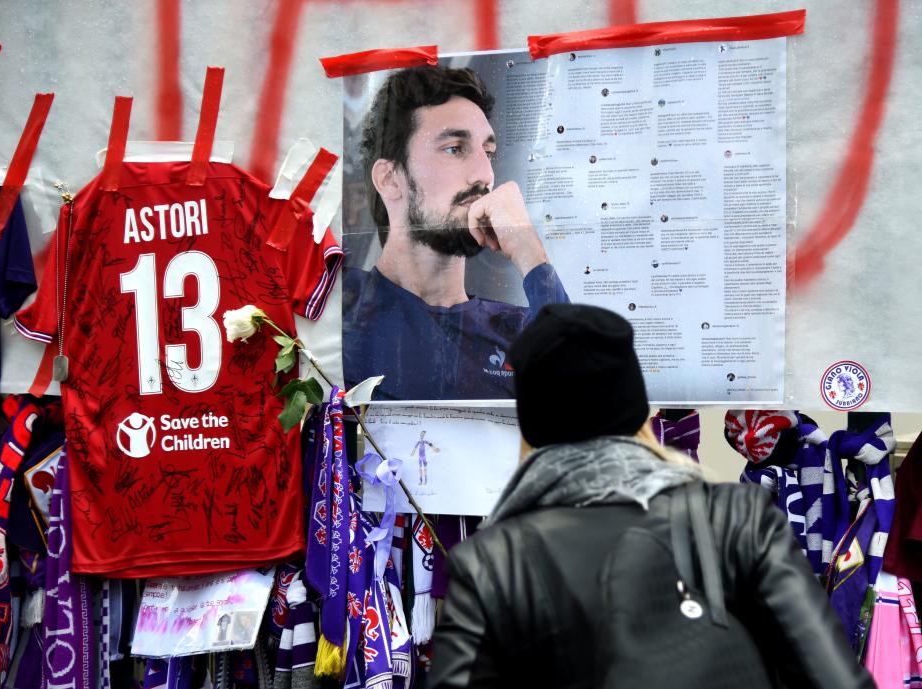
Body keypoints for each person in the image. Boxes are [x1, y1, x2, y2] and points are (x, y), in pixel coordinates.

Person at [428, 303, 874, 689]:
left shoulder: (491, 562)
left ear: (532, 425)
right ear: (638, 411)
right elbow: (831, 678)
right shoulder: (739, 520)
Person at [342, 66, 569, 401]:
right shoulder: (340, 308)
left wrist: (530, 252)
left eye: (488, 153)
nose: (485, 175)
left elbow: (586, 409)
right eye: (454, 148)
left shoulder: (517, 331)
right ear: (390, 179)